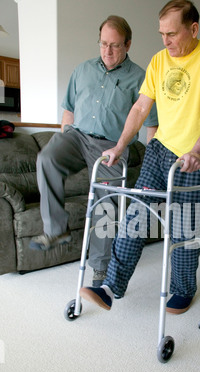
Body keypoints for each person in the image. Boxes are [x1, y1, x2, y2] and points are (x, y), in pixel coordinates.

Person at [80, 0, 200, 314]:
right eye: (162, 34)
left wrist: (198, 150)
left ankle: (183, 289)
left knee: (184, 229)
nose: (166, 41)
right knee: (136, 216)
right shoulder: (158, 61)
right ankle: (111, 286)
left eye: (172, 34)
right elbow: (140, 108)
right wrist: (120, 146)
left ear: (193, 29)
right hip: (160, 150)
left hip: (196, 157)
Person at [29, 15, 158, 287]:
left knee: (106, 202)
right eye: (103, 44)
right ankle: (55, 230)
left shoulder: (140, 78)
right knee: (47, 158)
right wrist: (65, 135)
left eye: (115, 45)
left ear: (128, 45)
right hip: (77, 137)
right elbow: (68, 109)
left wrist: (149, 161)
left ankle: (100, 269)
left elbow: (151, 124)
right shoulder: (82, 70)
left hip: (110, 146)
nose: (108, 51)